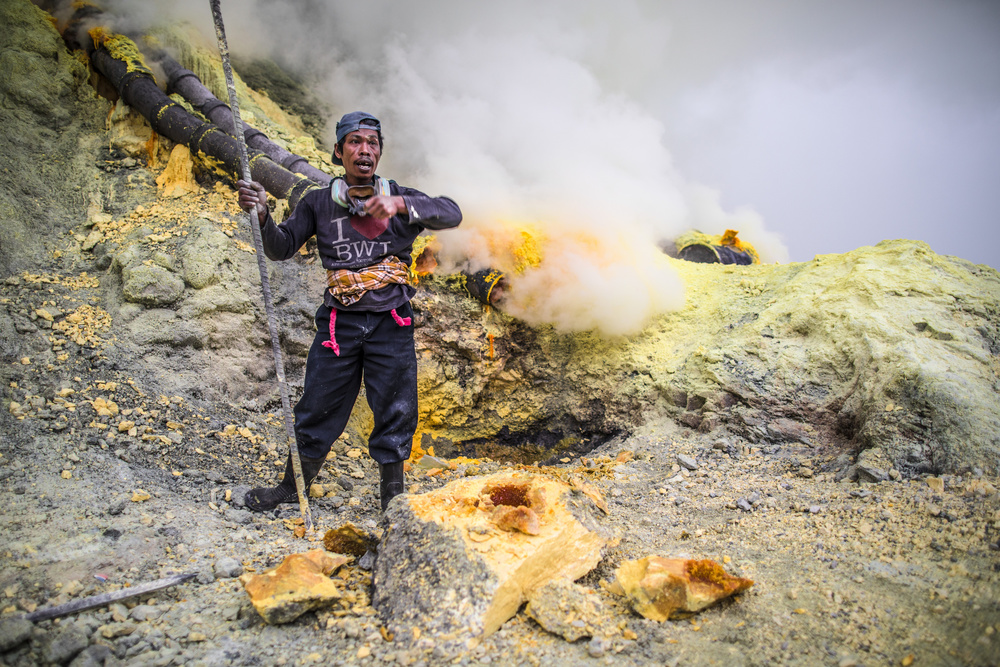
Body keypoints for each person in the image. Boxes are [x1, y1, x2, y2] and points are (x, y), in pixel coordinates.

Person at [237, 111, 462, 512]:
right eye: (355, 142)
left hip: (391, 322)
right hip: (338, 325)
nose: (365, 149)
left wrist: (400, 204)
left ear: (379, 153)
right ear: (338, 152)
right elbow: (281, 247)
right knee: (317, 405)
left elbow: (451, 212)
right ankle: (292, 487)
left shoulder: (397, 198)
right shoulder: (318, 203)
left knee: (396, 408)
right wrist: (262, 217)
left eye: (372, 143)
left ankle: (392, 499)